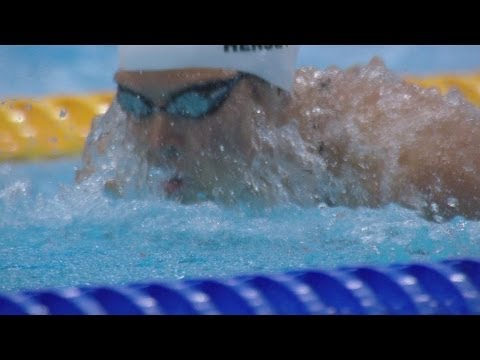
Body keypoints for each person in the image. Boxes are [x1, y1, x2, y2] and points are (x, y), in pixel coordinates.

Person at [78, 45, 480, 221]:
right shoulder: (116, 157)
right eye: (135, 103)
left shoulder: (412, 160)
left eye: (194, 103)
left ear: (268, 97)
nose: (158, 142)